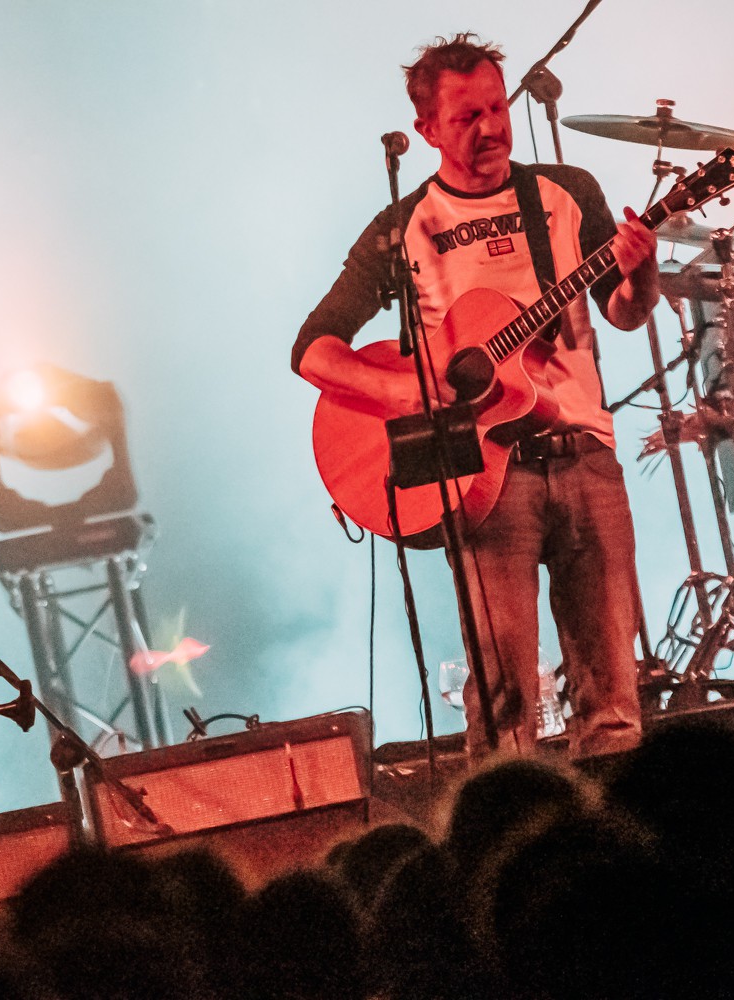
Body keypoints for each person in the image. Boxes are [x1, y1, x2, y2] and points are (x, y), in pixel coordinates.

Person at [292, 34, 659, 759]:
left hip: (585, 452)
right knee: (502, 703)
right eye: (467, 117)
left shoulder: (566, 192)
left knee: (614, 695)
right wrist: (403, 387)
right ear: (427, 128)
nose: (490, 127)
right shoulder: (402, 229)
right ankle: (504, 822)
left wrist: (640, 272)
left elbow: (622, 312)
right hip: (484, 478)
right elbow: (313, 348)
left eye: (497, 108)